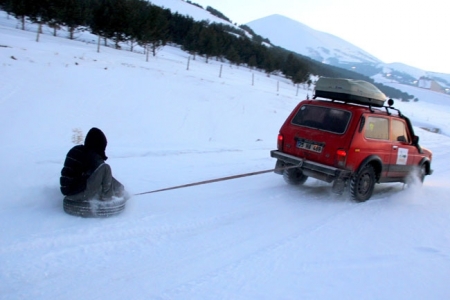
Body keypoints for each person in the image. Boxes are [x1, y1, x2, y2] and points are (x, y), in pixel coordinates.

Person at [60, 127, 125, 201]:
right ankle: (107, 198)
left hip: (69, 192)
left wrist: (120, 188)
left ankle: (116, 192)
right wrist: (120, 189)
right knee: (105, 168)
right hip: (78, 194)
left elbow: (101, 175)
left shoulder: (79, 150)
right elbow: (104, 172)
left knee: (102, 172)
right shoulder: (91, 156)